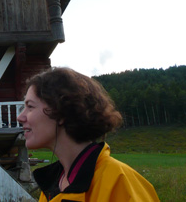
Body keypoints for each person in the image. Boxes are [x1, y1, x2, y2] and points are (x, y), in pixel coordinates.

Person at [17, 67, 159, 202]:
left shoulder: (120, 182)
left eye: (30, 106)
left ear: (61, 113)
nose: (20, 117)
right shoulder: (51, 187)